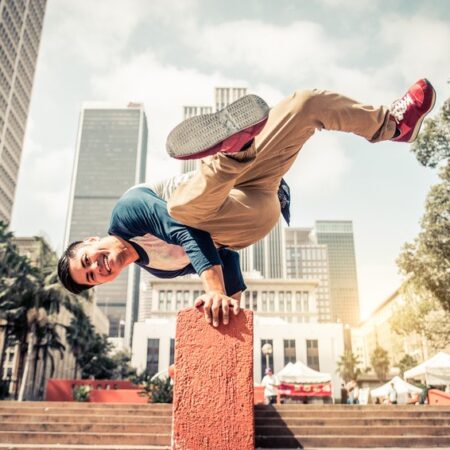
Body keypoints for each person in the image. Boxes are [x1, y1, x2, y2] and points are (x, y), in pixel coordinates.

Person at [58, 80, 436, 326]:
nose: (98, 267)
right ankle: (233, 149)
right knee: (195, 222)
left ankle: (392, 126)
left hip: (244, 177)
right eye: (92, 276)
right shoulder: (159, 268)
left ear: (92, 241)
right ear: (105, 281)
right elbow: (228, 259)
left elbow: (181, 230)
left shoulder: (126, 213)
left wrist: (214, 290)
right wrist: (229, 310)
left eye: (88, 260)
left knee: (306, 104)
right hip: (255, 211)